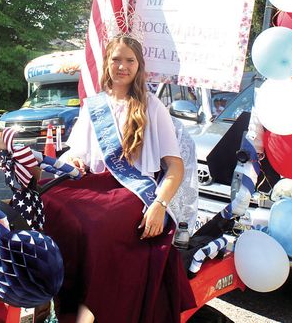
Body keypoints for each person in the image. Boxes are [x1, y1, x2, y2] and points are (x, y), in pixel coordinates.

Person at [41, 35, 196, 323]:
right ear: (107, 63)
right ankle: (55, 295)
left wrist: (160, 205)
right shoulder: (94, 105)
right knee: (47, 199)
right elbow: (77, 153)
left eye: (129, 60)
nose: (122, 66)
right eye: (116, 59)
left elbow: (175, 167)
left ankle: (95, 309)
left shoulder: (151, 106)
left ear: (139, 66)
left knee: (95, 225)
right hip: (97, 185)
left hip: (136, 193)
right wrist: (73, 159)